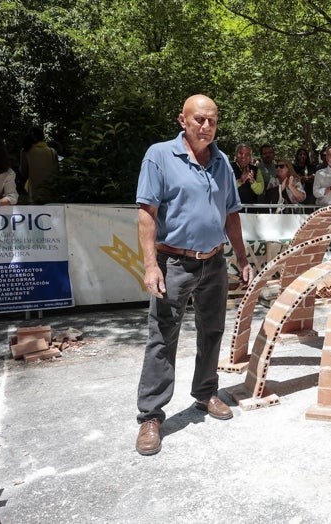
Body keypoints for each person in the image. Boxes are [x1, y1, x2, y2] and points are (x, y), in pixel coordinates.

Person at [134, 95, 251, 456]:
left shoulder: (222, 161)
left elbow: (231, 213)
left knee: (212, 330)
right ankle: (151, 416)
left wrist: (241, 259)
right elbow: (147, 214)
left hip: (214, 262)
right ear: (182, 120)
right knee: (162, 338)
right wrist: (151, 265)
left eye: (212, 121)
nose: (206, 126)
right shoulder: (160, 155)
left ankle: (205, 394)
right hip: (174, 263)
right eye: (199, 119)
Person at [20, 126, 58, 204]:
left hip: (33, 192)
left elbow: (24, 172)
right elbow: (56, 172)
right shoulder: (52, 151)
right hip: (50, 192)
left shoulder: (26, 151)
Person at [231, 143, 264, 211]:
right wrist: (240, 181)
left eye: (247, 154)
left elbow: (260, 190)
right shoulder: (228, 167)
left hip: (250, 213)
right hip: (231, 210)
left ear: (251, 157)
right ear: (236, 155)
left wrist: (252, 181)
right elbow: (224, 188)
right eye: (240, 153)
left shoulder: (256, 170)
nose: (243, 156)